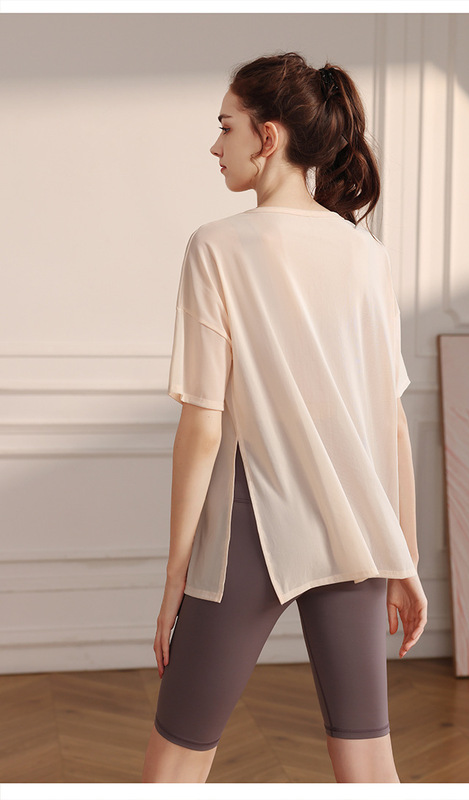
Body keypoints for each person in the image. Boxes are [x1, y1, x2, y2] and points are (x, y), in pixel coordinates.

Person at [141, 51, 427, 784]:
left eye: (226, 127)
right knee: (369, 765)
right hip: (358, 530)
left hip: (249, 527)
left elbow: (203, 425)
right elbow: (390, 421)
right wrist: (403, 558)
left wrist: (174, 575)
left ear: (267, 137)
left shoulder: (215, 246)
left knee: (175, 762)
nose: (215, 146)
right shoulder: (365, 255)